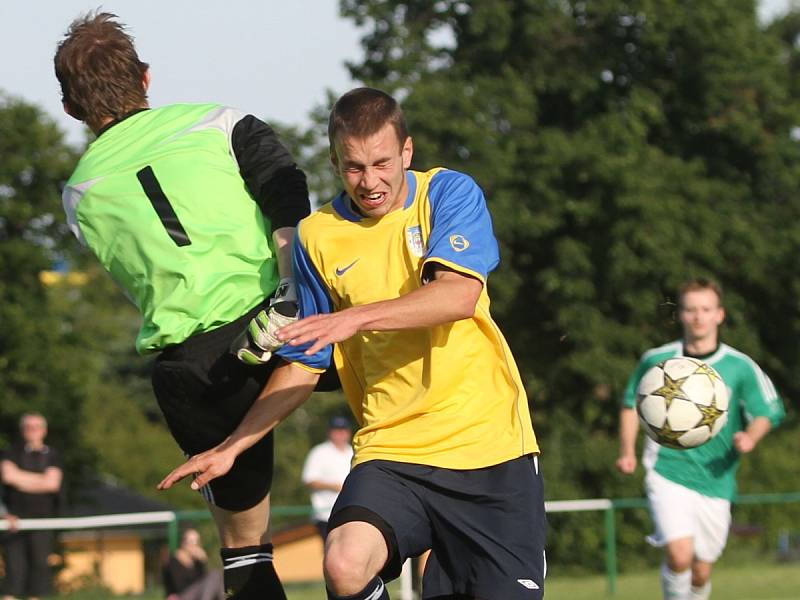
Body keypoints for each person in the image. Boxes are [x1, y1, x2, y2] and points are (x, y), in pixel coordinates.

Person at [54, 12, 324, 599]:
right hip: (286, 317)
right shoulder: (219, 122)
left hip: (196, 367)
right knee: (411, 440)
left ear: (73, 111)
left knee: (245, 549)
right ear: (146, 78)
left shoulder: (77, 195)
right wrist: (288, 289)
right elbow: (286, 188)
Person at [276, 87, 547, 600]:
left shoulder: (447, 194)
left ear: (406, 151)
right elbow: (305, 363)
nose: (370, 181)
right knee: (345, 564)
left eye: (381, 162)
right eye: (354, 167)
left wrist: (353, 319)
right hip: (392, 447)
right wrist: (233, 446)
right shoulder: (316, 236)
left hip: (489, 447)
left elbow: (458, 296)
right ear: (335, 163)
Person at [616, 277, 785, 600]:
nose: (698, 317)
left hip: (717, 478)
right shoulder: (658, 361)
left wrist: (750, 436)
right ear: (680, 314)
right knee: (679, 555)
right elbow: (629, 404)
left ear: (719, 314)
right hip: (667, 470)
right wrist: (627, 450)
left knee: (701, 570)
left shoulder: (740, 366)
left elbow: (769, 411)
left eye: (706, 309)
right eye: (691, 309)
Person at [1, 413, 63, 600]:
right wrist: (40, 480)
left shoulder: (53, 455)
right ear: (22, 431)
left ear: (44, 430)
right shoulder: (11, 452)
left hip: (43, 521)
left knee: (39, 571)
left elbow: (52, 484)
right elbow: (8, 477)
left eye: (36, 427)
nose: (32, 431)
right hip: (13, 522)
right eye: (28, 427)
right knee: (14, 570)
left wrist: (20, 479)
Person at [301, 416, 354, 539]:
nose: (341, 434)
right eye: (337, 430)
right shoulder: (319, 452)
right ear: (330, 432)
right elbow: (309, 479)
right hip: (325, 514)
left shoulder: (354, 451)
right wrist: (334, 486)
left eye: (343, 430)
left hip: (351, 513)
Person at [163, 528, 223, 600]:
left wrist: (204, 561)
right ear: (183, 543)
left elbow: (206, 583)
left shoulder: (197, 562)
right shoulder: (173, 562)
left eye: (197, 542)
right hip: (182, 596)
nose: (195, 546)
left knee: (216, 576)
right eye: (191, 542)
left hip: (197, 595)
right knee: (215, 574)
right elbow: (179, 587)